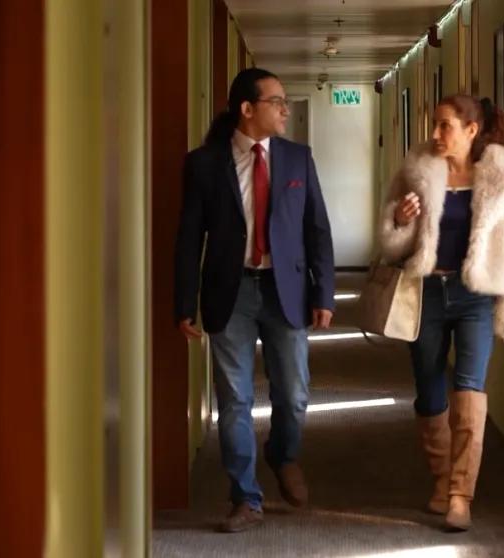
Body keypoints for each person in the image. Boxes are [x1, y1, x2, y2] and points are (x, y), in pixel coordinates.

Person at [174, 67, 335, 533]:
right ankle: (245, 497)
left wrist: (324, 292)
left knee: (294, 394)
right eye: (276, 101)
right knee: (235, 400)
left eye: (285, 101)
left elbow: (317, 229)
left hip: (287, 291)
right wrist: (184, 303)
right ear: (247, 109)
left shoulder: (297, 158)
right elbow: (189, 238)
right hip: (231, 293)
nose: (285, 109)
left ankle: (282, 454)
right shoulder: (204, 164)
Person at [377, 95, 504, 531]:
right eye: (434, 124)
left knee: (469, 390)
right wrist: (400, 219)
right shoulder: (416, 169)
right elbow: (389, 241)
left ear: (471, 130)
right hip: (426, 292)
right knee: (429, 392)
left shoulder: (503, 177)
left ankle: (461, 495)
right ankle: (442, 479)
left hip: (474, 298)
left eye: (445, 125)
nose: (435, 134)